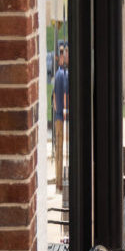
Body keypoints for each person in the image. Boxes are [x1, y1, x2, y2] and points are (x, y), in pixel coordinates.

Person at [52, 43, 69, 191]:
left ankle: (58, 182)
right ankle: (62, 183)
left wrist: (57, 111)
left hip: (57, 117)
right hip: (63, 117)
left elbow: (53, 98)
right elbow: (64, 95)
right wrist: (65, 110)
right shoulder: (64, 74)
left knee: (58, 150)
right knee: (64, 150)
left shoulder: (57, 74)